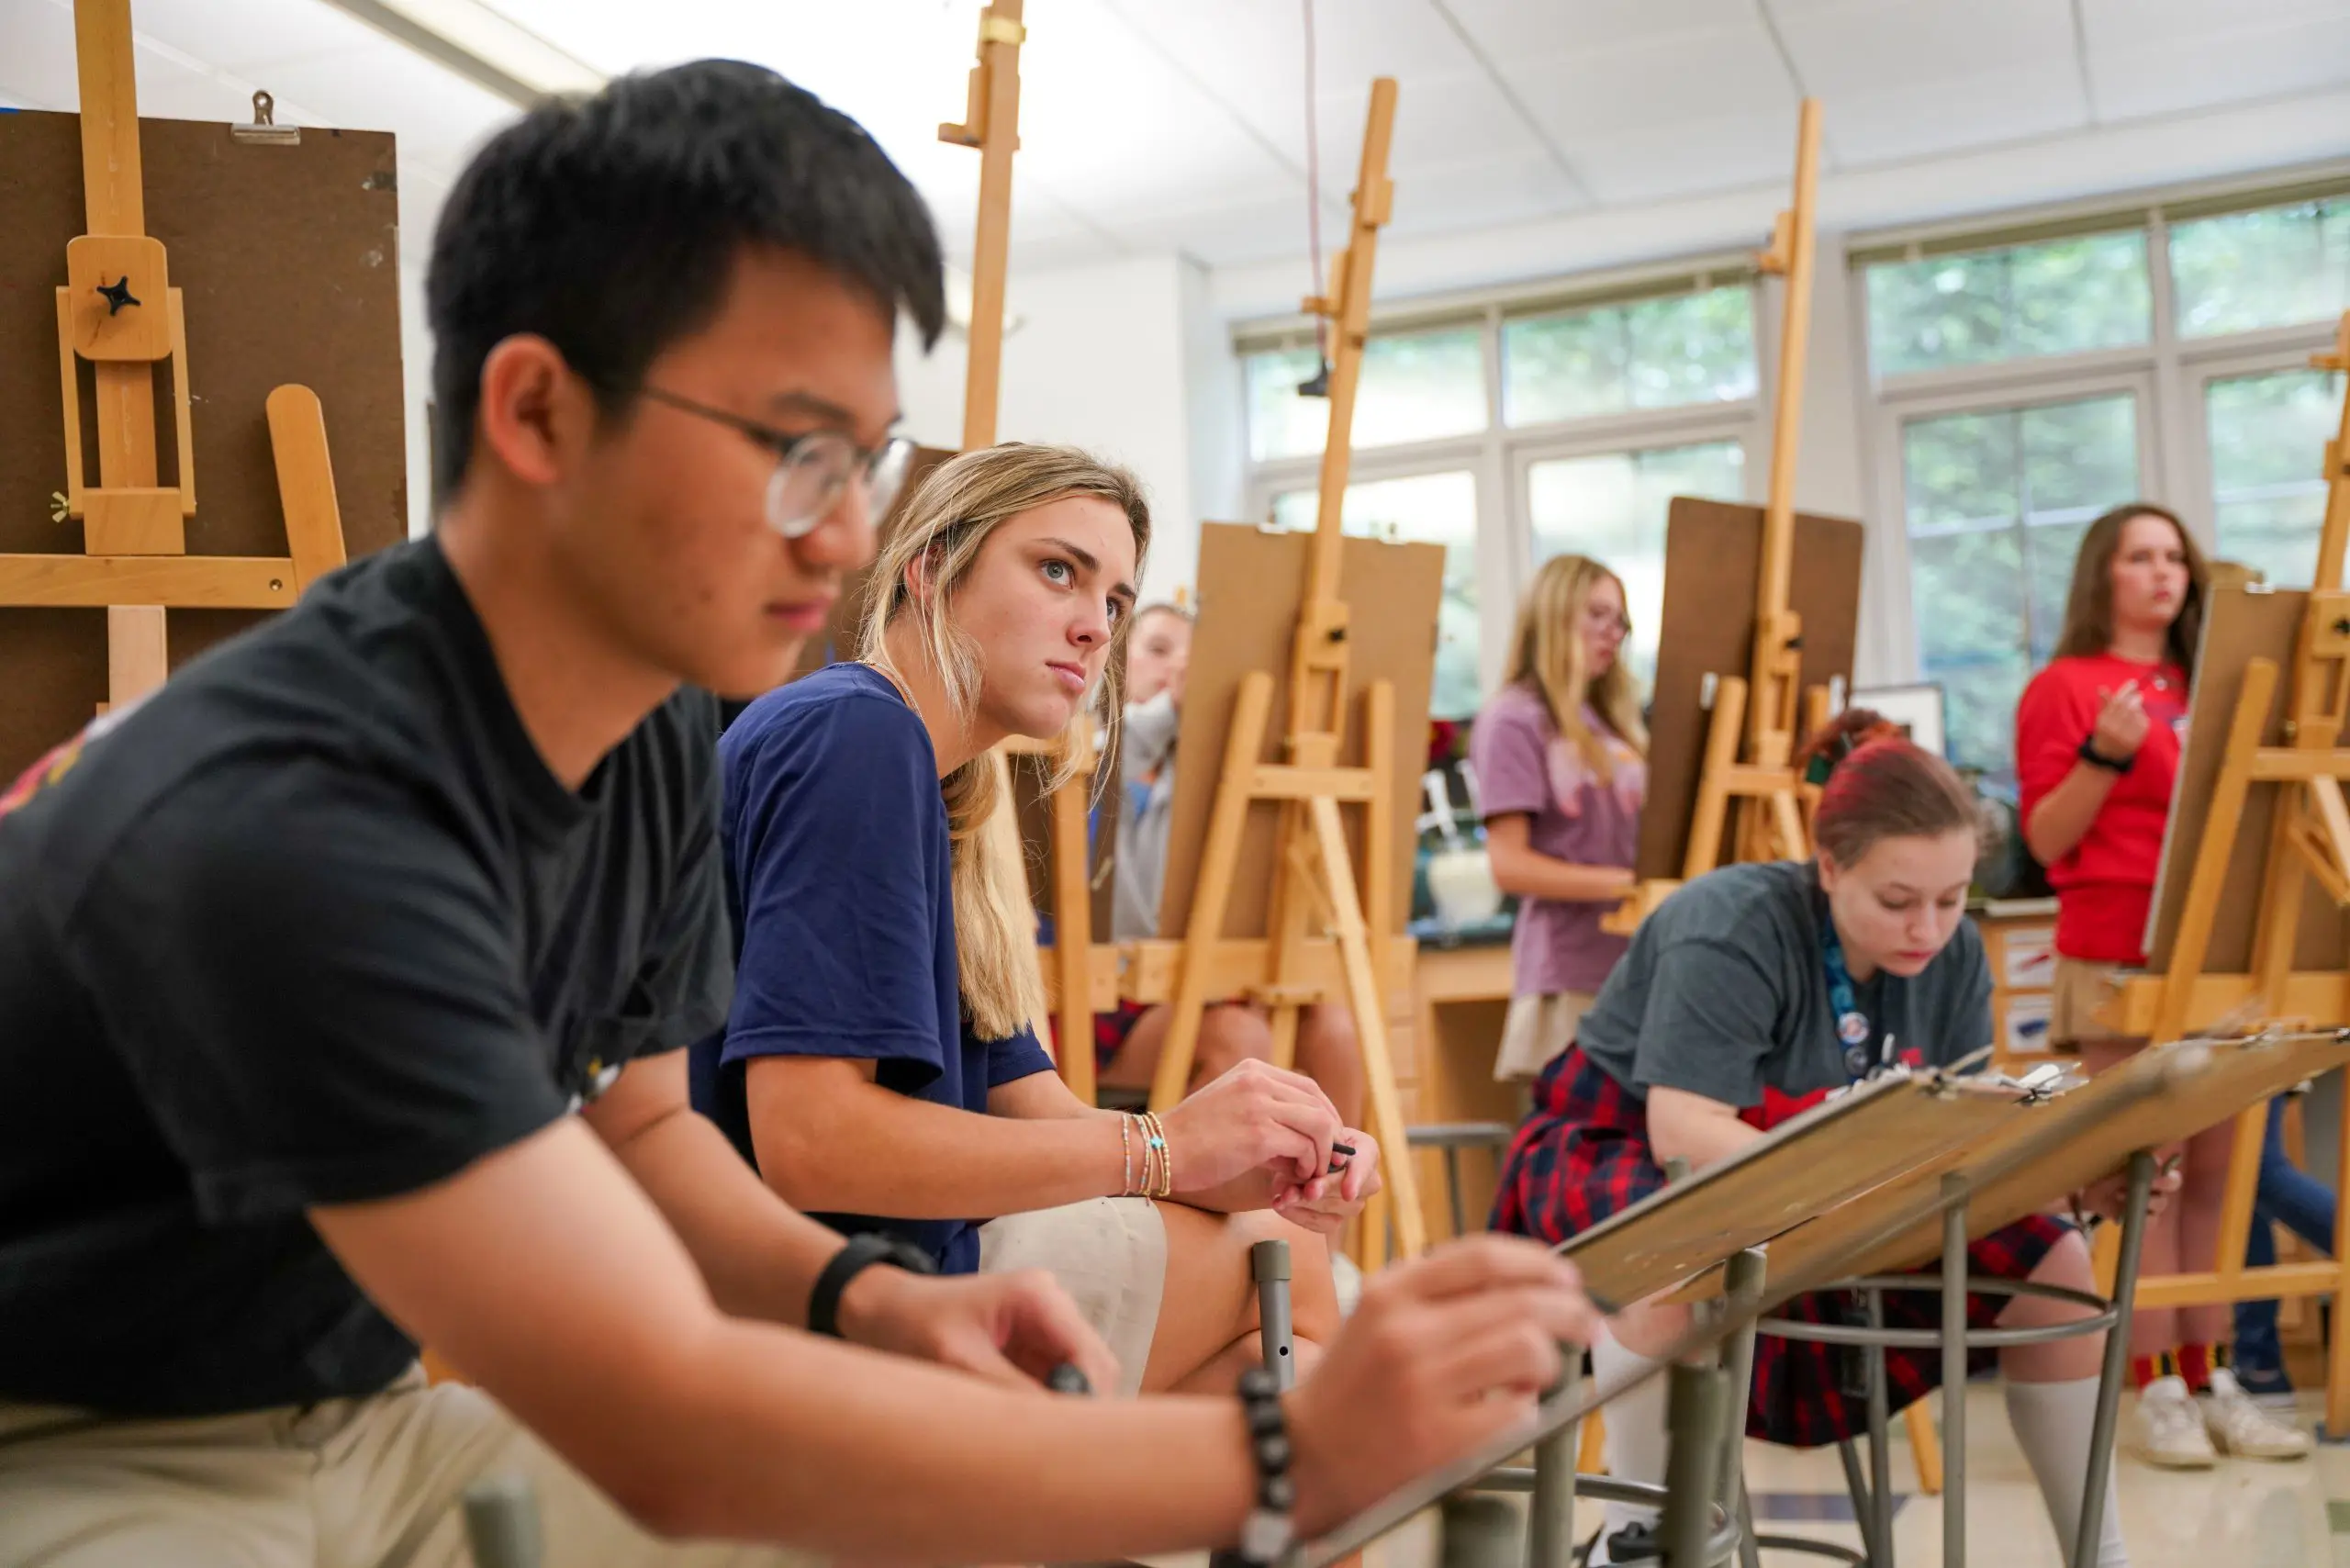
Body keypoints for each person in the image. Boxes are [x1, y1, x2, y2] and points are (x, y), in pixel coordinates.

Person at [0, 62, 1601, 1567]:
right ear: (540, 412)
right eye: (793, 454)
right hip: (75, 1444)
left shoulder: (637, 733)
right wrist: (1284, 1452)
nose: (845, 532)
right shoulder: (301, 810)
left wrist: (867, 1301)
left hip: (349, 1411)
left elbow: (646, 1132)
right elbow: (671, 1408)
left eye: (868, 460)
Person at [694, 444, 1377, 1397]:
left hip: (869, 1270)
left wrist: (1233, 1158)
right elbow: (814, 1145)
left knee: (1274, 1276)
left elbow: (1039, 1111)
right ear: (930, 568)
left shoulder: (945, 791)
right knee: (1295, 1286)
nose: (1096, 629)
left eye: (1114, 602)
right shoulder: (856, 733)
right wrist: (1159, 1149)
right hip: (812, 1298)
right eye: (1058, 569)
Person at [1494, 711, 2160, 1568]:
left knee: (2055, 1263)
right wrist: (1863, 1194)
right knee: (1673, 1244)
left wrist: (2068, 1178)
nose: (1929, 927)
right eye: (1897, 900)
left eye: (1953, 899)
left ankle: (2100, 1555)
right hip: (1626, 1145)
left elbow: (1959, 1129)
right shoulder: (1730, 923)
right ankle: (1647, 1540)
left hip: (1844, 1183)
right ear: (1831, 865)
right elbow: (1685, 1135)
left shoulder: (1953, 953)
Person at [2018, 502, 2309, 1465]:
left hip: (2219, 951)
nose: (2162, 572)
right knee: (2149, 1179)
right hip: (2118, 952)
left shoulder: (2210, 683)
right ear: (2102, 573)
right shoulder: (2063, 686)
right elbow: (2044, 839)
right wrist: (2105, 753)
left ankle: (2214, 1370)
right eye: (2140, 556)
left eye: (2174, 555)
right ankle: (2156, 1387)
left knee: (2223, 1184)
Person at [1088, 603, 1367, 1120]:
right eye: (1156, 649)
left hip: (1206, 981)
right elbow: (1114, 760)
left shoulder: (1210, 775)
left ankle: (1335, 1196)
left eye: (1193, 658)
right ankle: (1219, 1199)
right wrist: (1174, 707)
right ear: (1115, 661)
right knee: (1239, 1036)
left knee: (1335, 1028)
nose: (1176, 668)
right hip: (1109, 994)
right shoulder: (1085, 751)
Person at [1471, 554, 1647, 1083]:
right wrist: (1627, 885)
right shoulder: (1514, 720)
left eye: (1619, 619)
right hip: (1569, 969)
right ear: (1554, 613)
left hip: (1630, 960)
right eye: (1597, 614)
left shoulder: (1608, 721)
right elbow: (1510, 866)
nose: (1612, 632)